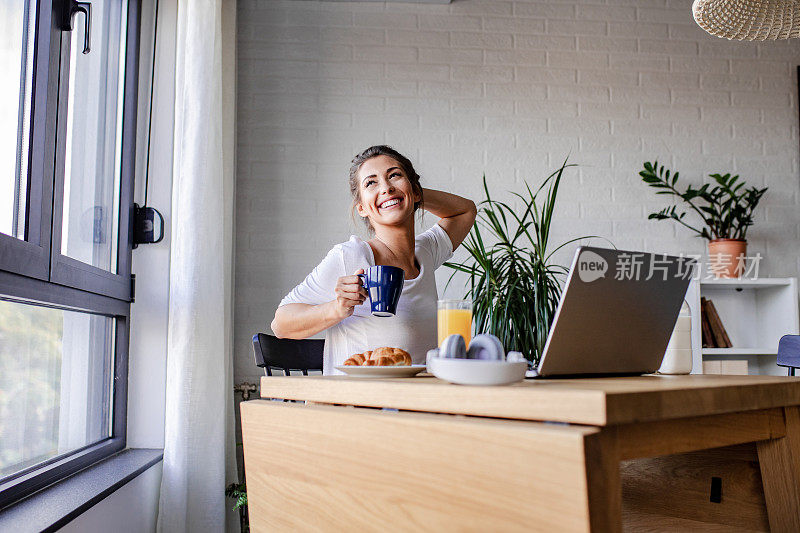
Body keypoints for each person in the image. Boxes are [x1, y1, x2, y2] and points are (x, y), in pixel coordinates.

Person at [271, 145, 477, 374]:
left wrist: (409, 192)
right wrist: (337, 308)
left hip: (417, 403)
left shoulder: (425, 252)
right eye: (371, 183)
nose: (386, 188)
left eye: (395, 175)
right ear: (361, 207)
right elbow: (280, 324)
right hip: (360, 404)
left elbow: (465, 211)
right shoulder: (351, 256)